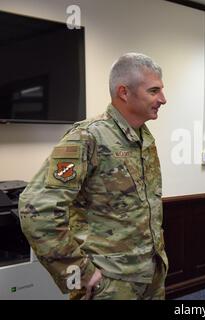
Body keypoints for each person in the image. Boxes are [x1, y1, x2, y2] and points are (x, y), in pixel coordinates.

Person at [18, 53, 168, 300]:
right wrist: (78, 271)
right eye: (154, 91)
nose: (163, 99)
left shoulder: (143, 138)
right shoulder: (89, 137)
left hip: (150, 276)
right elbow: (37, 210)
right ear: (124, 92)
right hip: (109, 284)